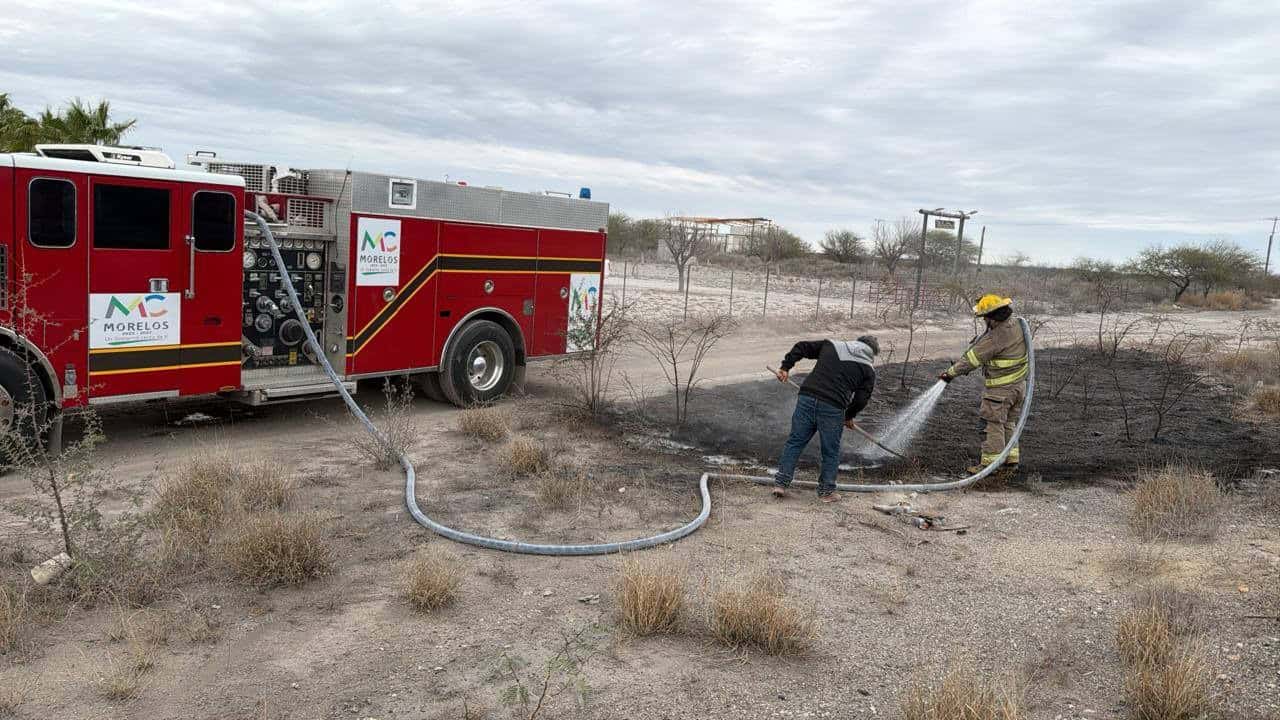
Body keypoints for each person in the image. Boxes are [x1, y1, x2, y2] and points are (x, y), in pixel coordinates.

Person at [772, 335, 878, 503]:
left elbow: (801, 347)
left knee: (795, 442)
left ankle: (780, 484)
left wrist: (785, 367)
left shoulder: (832, 345)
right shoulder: (868, 369)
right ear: (872, 352)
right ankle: (826, 492)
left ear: (857, 342)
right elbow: (861, 399)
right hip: (833, 407)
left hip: (807, 397)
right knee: (830, 451)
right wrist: (848, 416)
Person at [938, 294, 1028, 475]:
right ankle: (1011, 460)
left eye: (985, 317)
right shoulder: (1018, 325)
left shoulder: (995, 337)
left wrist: (949, 374)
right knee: (1007, 422)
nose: (984, 320)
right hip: (1019, 388)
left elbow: (971, 360)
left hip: (1000, 392)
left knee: (992, 425)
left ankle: (990, 466)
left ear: (992, 317)